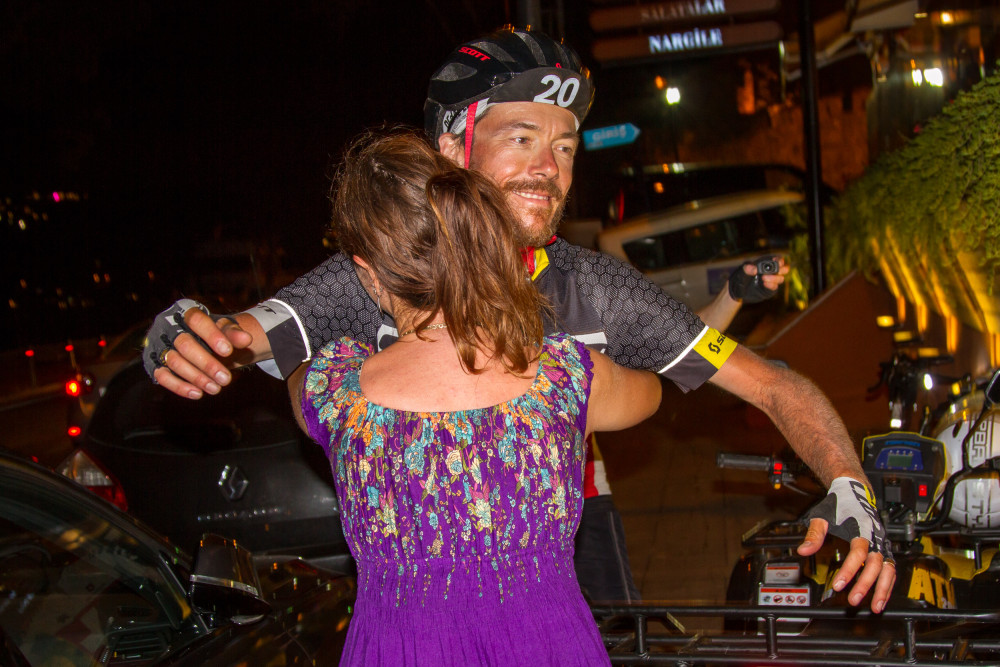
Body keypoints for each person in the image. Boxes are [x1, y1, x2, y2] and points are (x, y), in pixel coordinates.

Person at [143, 27, 894, 612]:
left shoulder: (595, 288)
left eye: (565, 146)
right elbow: (238, 332)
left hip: (557, 568)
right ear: (450, 148)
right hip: (411, 603)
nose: (551, 168)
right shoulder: (384, 273)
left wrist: (850, 484)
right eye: (521, 138)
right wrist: (183, 331)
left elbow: (772, 383)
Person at [289, 128, 661, 665]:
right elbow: (649, 393)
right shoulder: (565, 379)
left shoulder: (334, 390)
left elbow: (295, 376)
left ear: (368, 273)